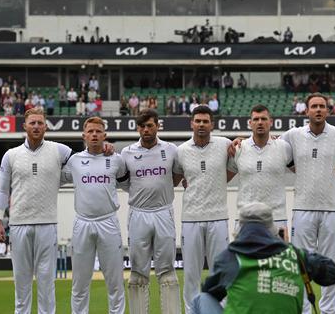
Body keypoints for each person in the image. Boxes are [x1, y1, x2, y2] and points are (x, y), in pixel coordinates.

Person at [190, 202, 335, 314]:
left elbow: (209, 291)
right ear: (272, 229)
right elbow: (333, 274)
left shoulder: (231, 257)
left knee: (200, 299)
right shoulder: (296, 256)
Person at [0, 107, 73, 314]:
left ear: (46, 126)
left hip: (48, 223)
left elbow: (85, 162)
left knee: (47, 282)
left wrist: (104, 149)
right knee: (22, 282)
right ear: (25, 126)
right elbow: (2, 190)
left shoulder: (60, 150)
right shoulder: (11, 155)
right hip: (19, 224)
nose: (36, 126)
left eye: (40, 123)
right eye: (32, 123)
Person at [280, 93, 335, 314]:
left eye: (322, 106)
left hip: (332, 208)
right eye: (314, 106)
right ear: (306, 111)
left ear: (327, 111)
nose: (318, 110)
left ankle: (329, 311)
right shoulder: (292, 135)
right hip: (302, 208)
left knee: (331, 263)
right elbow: (276, 153)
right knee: (301, 263)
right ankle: (304, 310)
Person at [119, 109, 183, 314]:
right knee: (138, 273)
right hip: (138, 213)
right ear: (137, 128)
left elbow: (175, 179)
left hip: (164, 212)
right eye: (142, 126)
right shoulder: (127, 152)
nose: (146, 130)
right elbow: (126, 183)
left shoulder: (171, 149)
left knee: (167, 272)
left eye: (150, 125)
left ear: (157, 126)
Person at [61, 117, 126, 314]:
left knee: (115, 282)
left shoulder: (116, 159)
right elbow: (55, 179)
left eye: (98, 131)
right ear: (84, 136)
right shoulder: (74, 161)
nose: (94, 135)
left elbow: (127, 182)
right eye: (90, 132)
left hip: (108, 222)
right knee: (80, 283)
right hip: (83, 222)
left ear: (105, 135)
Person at [174, 105, 234, 314]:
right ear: (191, 124)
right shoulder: (180, 151)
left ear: (212, 124)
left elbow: (232, 170)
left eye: (205, 121)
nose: (201, 125)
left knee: (220, 272)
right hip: (190, 218)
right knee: (191, 274)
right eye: (197, 121)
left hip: (218, 217)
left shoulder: (225, 145)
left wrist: (216, 181)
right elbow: (176, 178)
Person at [229, 104, 293, 233]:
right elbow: (223, 178)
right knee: (245, 254)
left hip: (277, 218)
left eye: (264, 119)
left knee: (277, 254)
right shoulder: (238, 148)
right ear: (250, 123)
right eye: (256, 119)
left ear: (270, 122)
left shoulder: (284, 147)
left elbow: (301, 170)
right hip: (246, 219)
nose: (260, 122)